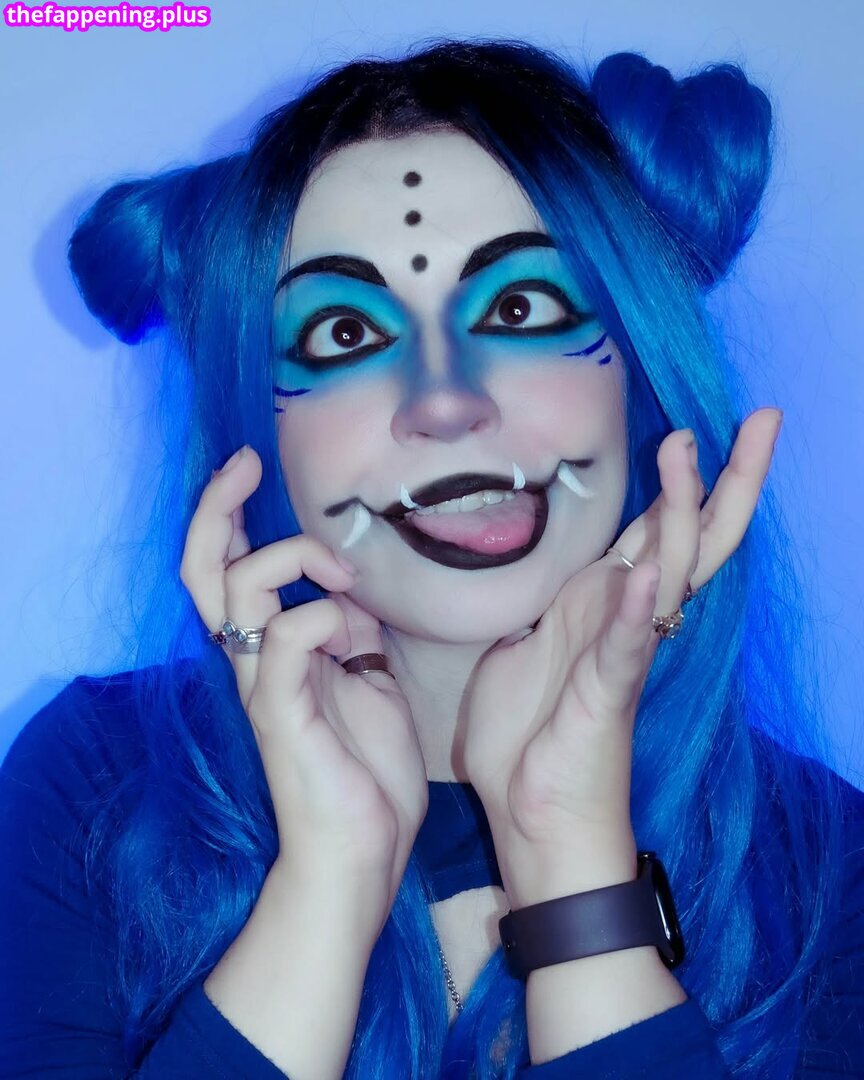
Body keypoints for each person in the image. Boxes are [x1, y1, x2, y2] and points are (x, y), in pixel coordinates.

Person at [1, 38, 861, 1080]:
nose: (445, 401)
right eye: (344, 333)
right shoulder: (92, 792)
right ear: (255, 434)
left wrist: (570, 858)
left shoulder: (824, 862)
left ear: (640, 377)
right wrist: (328, 883)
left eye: (519, 309)